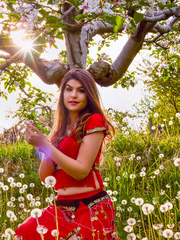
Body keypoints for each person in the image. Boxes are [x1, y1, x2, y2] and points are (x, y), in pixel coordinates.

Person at [14, 69, 118, 240]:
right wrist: (45, 145)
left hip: (91, 205)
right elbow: (45, 176)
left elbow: (81, 171)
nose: (74, 95)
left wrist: (46, 145)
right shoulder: (58, 132)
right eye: (68, 89)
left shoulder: (94, 120)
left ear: (88, 94)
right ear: (62, 94)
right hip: (60, 207)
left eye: (81, 90)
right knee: (26, 231)